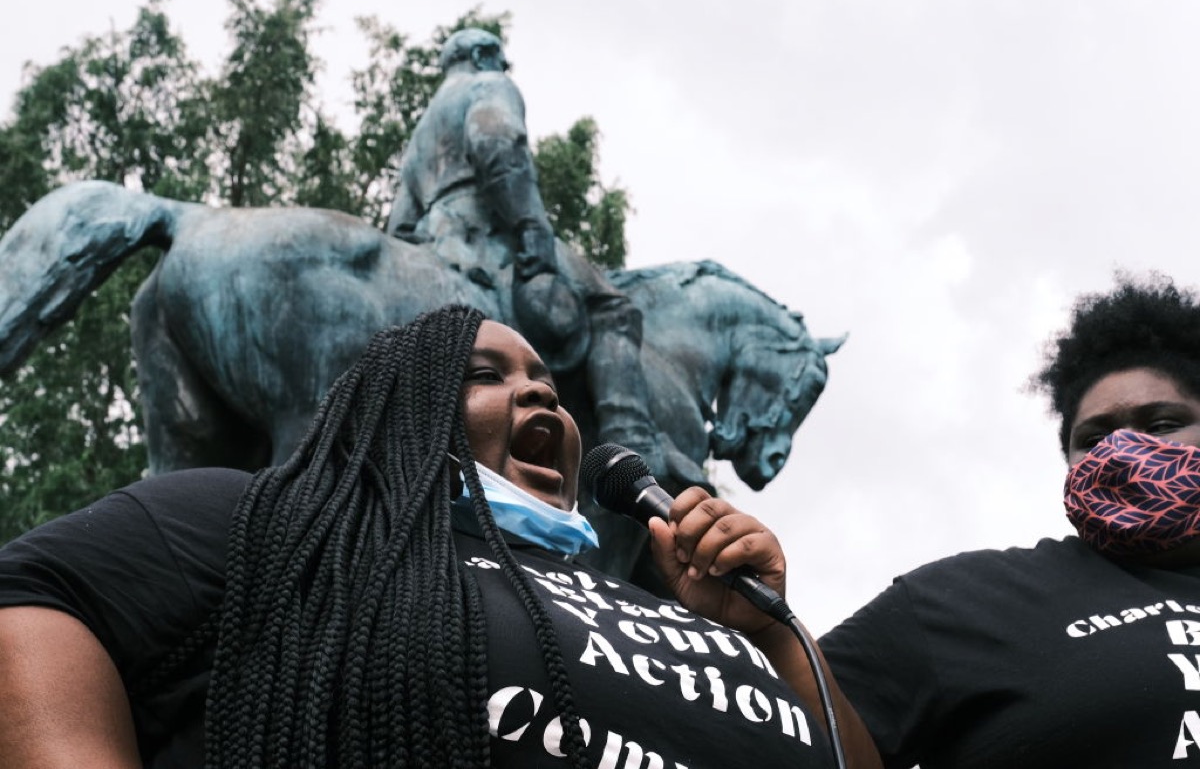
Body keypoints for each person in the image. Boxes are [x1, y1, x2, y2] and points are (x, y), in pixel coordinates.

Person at [0, 305, 878, 768]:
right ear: (397, 416)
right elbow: (36, 597)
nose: (540, 397)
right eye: (485, 376)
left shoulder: (689, 610)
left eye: (549, 384)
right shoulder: (288, 526)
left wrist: (765, 634)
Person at [820, 273, 1200, 768]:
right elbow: (782, 729)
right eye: (1093, 439)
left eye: (1162, 424)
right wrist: (765, 626)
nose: (1124, 451)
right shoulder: (967, 602)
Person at [386, 28, 705, 490]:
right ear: (481, 55)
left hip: (438, 238)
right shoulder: (490, 86)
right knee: (614, 307)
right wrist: (531, 229)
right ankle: (633, 439)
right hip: (490, 232)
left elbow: (400, 222)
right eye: (498, 57)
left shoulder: (424, 125)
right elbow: (499, 149)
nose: (504, 66)